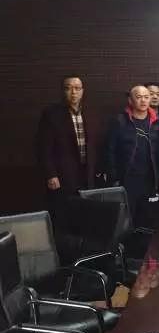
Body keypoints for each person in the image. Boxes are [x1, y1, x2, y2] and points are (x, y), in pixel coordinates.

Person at [36, 75, 100, 227]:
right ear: (62, 91)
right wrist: (51, 174)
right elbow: (43, 147)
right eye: (68, 88)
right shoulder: (52, 114)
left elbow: (95, 144)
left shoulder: (90, 112)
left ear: (83, 91)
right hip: (63, 174)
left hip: (87, 172)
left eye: (77, 88)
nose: (73, 92)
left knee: (86, 213)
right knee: (64, 215)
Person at [105, 85, 159, 227]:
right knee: (125, 221)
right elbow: (110, 151)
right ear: (130, 100)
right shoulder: (120, 121)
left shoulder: (158, 121)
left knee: (147, 221)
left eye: (146, 97)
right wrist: (114, 177)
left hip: (150, 179)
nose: (143, 100)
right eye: (139, 97)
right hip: (127, 179)